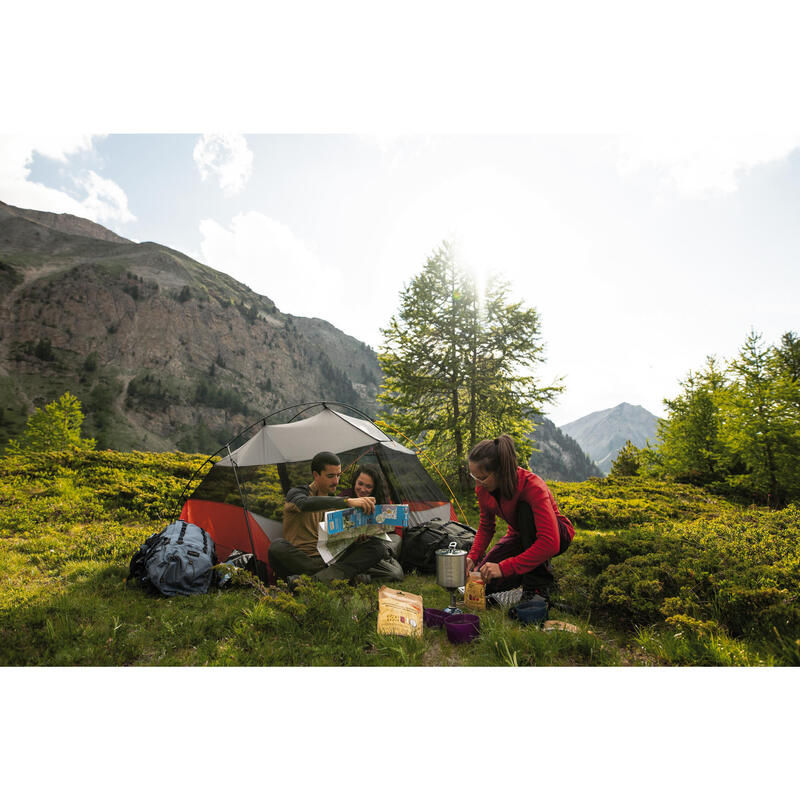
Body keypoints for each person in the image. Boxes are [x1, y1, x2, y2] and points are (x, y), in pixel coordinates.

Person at [465, 434, 575, 603]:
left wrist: (503, 568)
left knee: (525, 510)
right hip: (519, 536)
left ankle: (538, 587)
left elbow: (549, 542)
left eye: (482, 478)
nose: (478, 484)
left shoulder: (532, 486)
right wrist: (472, 558)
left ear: (500, 471)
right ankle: (529, 571)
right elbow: (486, 527)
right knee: (485, 580)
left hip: (557, 535)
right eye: (475, 477)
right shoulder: (483, 490)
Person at [268, 451, 388, 585]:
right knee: (277, 546)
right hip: (301, 561)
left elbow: (339, 539)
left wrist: (357, 539)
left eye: (338, 475)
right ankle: (333, 578)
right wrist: (348, 501)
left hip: (328, 558)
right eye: (331, 476)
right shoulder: (296, 494)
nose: (336, 481)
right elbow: (305, 503)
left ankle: (313, 582)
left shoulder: (334, 503)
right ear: (316, 475)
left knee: (377, 548)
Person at [339, 464, 404, 582]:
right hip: (352, 550)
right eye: (360, 484)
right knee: (394, 572)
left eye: (368, 486)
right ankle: (360, 577)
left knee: (396, 541)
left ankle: (382, 557)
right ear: (355, 482)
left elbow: (392, 532)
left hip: (377, 547)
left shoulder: (381, 501)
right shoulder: (345, 498)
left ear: (375, 488)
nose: (363, 489)